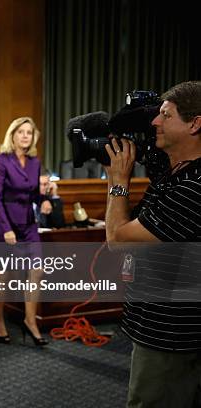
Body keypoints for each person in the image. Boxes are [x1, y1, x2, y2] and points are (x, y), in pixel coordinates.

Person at [104, 81, 201, 408]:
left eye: (165, 115)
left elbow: (117, 239)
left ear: (195, 123)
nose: (154, 122)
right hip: (163, 328)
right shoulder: (175, 174)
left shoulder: (192, 189)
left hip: (172, 338)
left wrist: (118, 183)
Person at [0, 117, 52, 346]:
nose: (26, 136)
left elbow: (33, 194)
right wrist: (6, 230)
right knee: (3, 274)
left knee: (37, 271)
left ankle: (30, 320)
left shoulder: (35, 162)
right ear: (12, 135)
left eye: (29, 132)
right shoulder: (0, 161)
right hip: (5, 225)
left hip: (28, 225)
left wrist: (43, 200)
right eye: (21, 132)